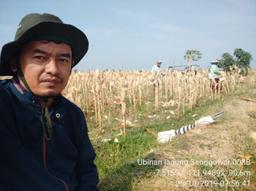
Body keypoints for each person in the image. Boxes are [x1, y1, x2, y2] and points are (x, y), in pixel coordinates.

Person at [0, 13, 99, 191]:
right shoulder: (5, 102)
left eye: (63, 60)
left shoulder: (73, 115)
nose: (53, 69)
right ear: (15, 63)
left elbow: (86, 169)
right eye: (40, 57)